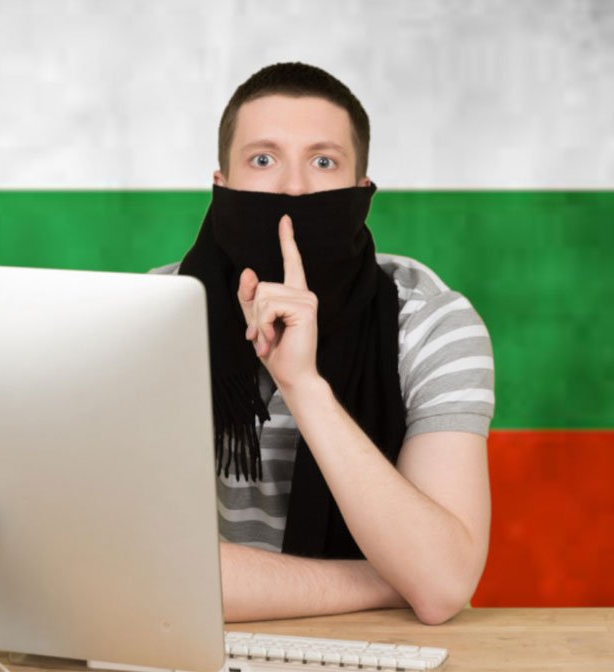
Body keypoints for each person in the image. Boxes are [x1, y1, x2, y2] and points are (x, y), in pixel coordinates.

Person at [153, 62, 494, 625]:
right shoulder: (152, 320)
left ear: (362, 190)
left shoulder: (431, 323)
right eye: (263, 160)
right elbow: (136, 570)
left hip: (385, 652)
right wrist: (389, 580)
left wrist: (303, 385)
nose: (293, 188)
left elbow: (440, 585)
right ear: (222, 184)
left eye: (323, 162)